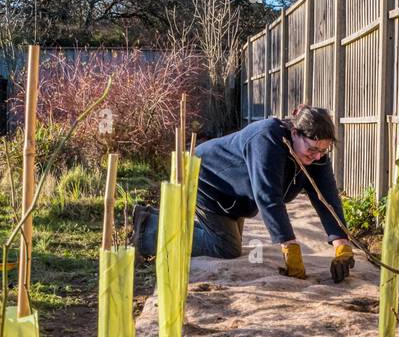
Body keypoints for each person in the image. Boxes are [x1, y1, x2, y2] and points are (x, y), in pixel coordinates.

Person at [131, 106, 355, 281]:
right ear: (295, 132)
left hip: (235, 195)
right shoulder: (267, 139)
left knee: (224, 237)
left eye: (323, 151)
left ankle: (159, 219)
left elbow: (327, 198)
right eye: (313, 149)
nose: (317, 156)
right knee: (225, 248)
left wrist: (340, 243)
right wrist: (289, 245)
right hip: (207, 178)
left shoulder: (315, 157)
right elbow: (268, 196)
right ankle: (146, 229)